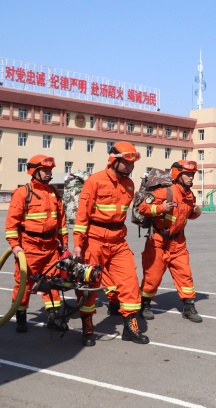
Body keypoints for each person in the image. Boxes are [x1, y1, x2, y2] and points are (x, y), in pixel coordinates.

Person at [73, 142, 148, 346]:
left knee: (130, 283)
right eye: (126, 162)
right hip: (94, 241)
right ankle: (87, 326)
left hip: (118, 241)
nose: (130, 167)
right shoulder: (95, 180)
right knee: (89, 285)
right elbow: (82, 214)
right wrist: (78, 243)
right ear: (113, 160)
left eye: (132, 163)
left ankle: (130, 327)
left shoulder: (129, 184)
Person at [5, 155, 69, 334]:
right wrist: (15, 246)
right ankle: (21, 316)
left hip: (51, 247)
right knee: (23, 283)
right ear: (34, 172)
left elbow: (61, 221)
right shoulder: (22, 193)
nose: (49, 174)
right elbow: (11, 222)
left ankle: (53, 317)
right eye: (45, 171)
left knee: (52, 282)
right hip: (29, 247)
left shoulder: (54, 192)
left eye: (50, 171)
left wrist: (64, 242)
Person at [138, 160, 203, 323]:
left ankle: (189, 307)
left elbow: (186, 216)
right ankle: (145, 305)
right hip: (158, 242)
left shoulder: (190, 195)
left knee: (185, 275)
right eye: (187, 174)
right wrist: (161, 208)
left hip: (178, 243)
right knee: (152, 278)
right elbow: (142, 208)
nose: (191, 177)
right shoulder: (164, 192)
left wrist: (196, 212)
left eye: (192, 174)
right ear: (177, 175)